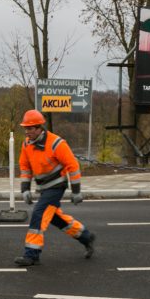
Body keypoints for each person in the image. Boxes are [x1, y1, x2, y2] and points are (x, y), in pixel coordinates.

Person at [14, 109, 96, 267]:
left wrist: (76, 191)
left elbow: (73, 166)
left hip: (57, 186)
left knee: (39, 213)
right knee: (55, 218)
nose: (27, 131)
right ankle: (86, 236)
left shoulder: (57, 143)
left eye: (30, 128)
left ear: (39, 128)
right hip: (44, 188)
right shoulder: (26, 144)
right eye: (25, 128)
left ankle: (31, 254)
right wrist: (25, 189)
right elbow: (25, 167)